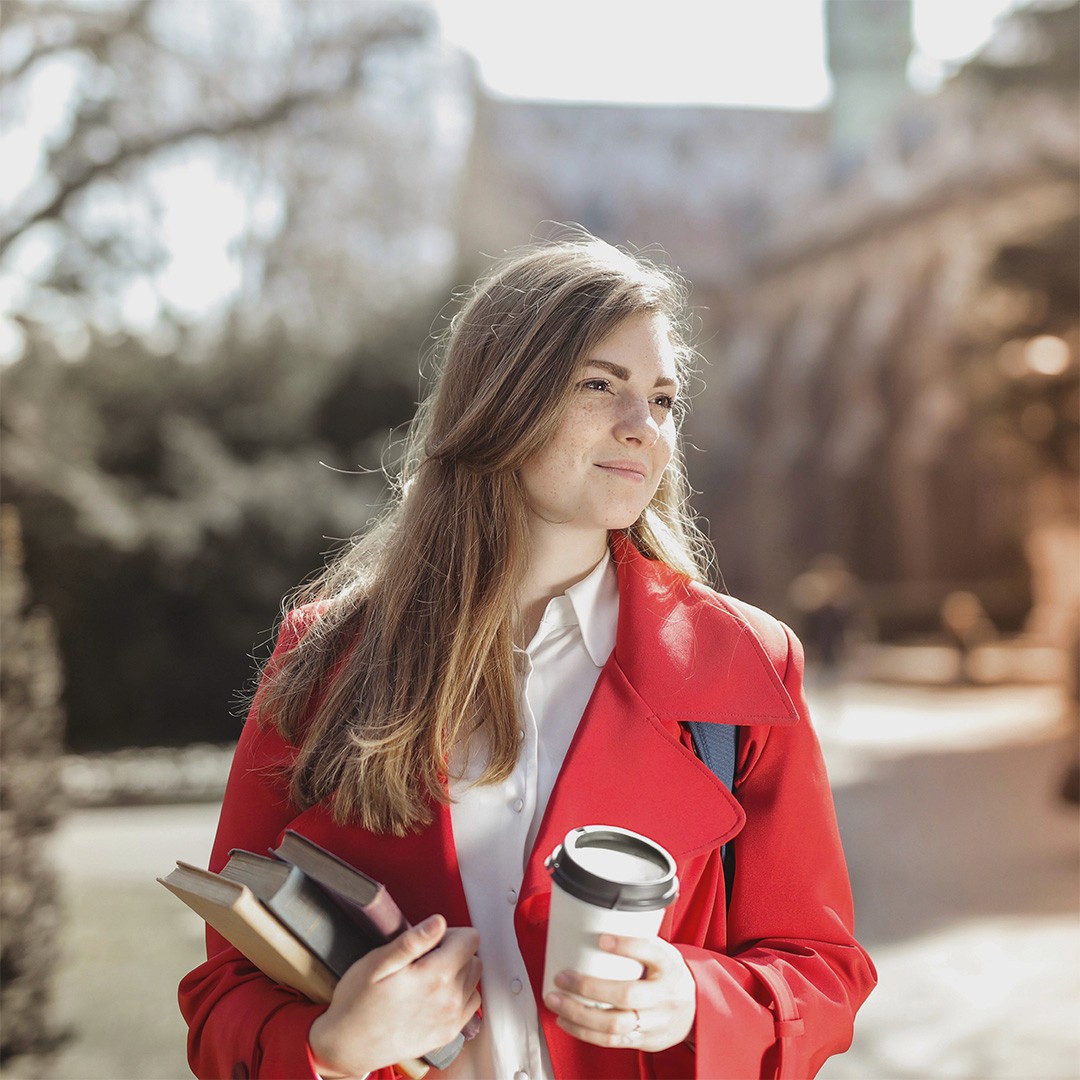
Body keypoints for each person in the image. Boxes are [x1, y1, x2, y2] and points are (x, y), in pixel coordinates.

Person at [179, 236, 876, 1079]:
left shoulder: (745, 664)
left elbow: (823, 970)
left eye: (662, 399)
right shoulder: (325, 659)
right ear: (500, 401)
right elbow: (224, 990)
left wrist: (695, 1001)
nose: (643, 428)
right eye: (598, 385)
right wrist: (330, 1049)